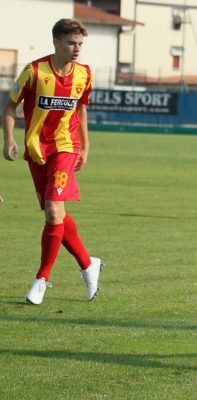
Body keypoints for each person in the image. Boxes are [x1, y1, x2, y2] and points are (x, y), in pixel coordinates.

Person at [2, 18, 103, 305]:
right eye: (71, 43)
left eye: (80, 44)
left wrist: (85, 146)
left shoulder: (84, 74)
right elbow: (10, 106)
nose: (76, 49)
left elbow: (81, 110)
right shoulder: (33, 71)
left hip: (66, 148)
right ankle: (87, 263)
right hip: (36, 151)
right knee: (55, 215)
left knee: (52, 210)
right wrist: (9, 139)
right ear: (56, 42)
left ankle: (41, 279)